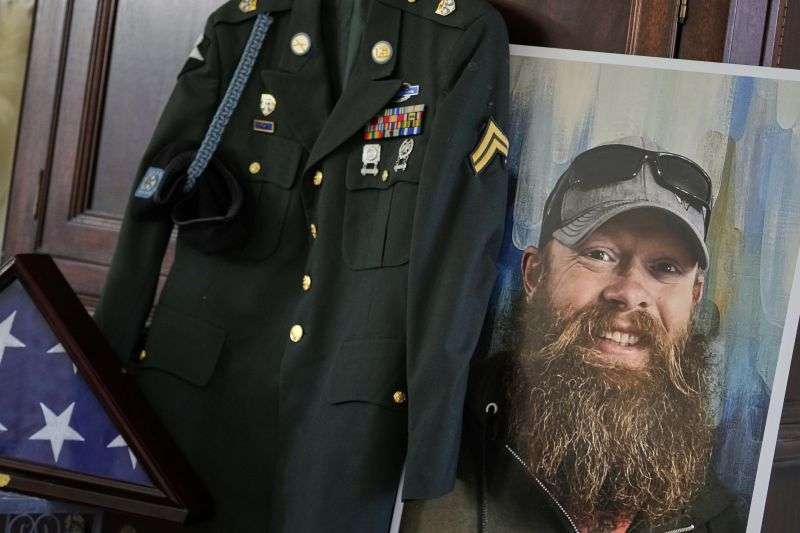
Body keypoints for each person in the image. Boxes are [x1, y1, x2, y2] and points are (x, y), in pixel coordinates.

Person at [93, 0, 510, 531]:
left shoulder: (457, 33)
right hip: (197, 384)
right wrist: (101, 372)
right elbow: (153, 189)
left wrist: (433, 446)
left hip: (344, 408)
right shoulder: (244, 25)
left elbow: (457, 245)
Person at [400, 143, 745, 532]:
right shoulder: (433, 461)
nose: (630, 292)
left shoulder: (717, 516)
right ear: (535, 275)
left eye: (665, 267)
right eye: (599, 254)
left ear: (694, 300)